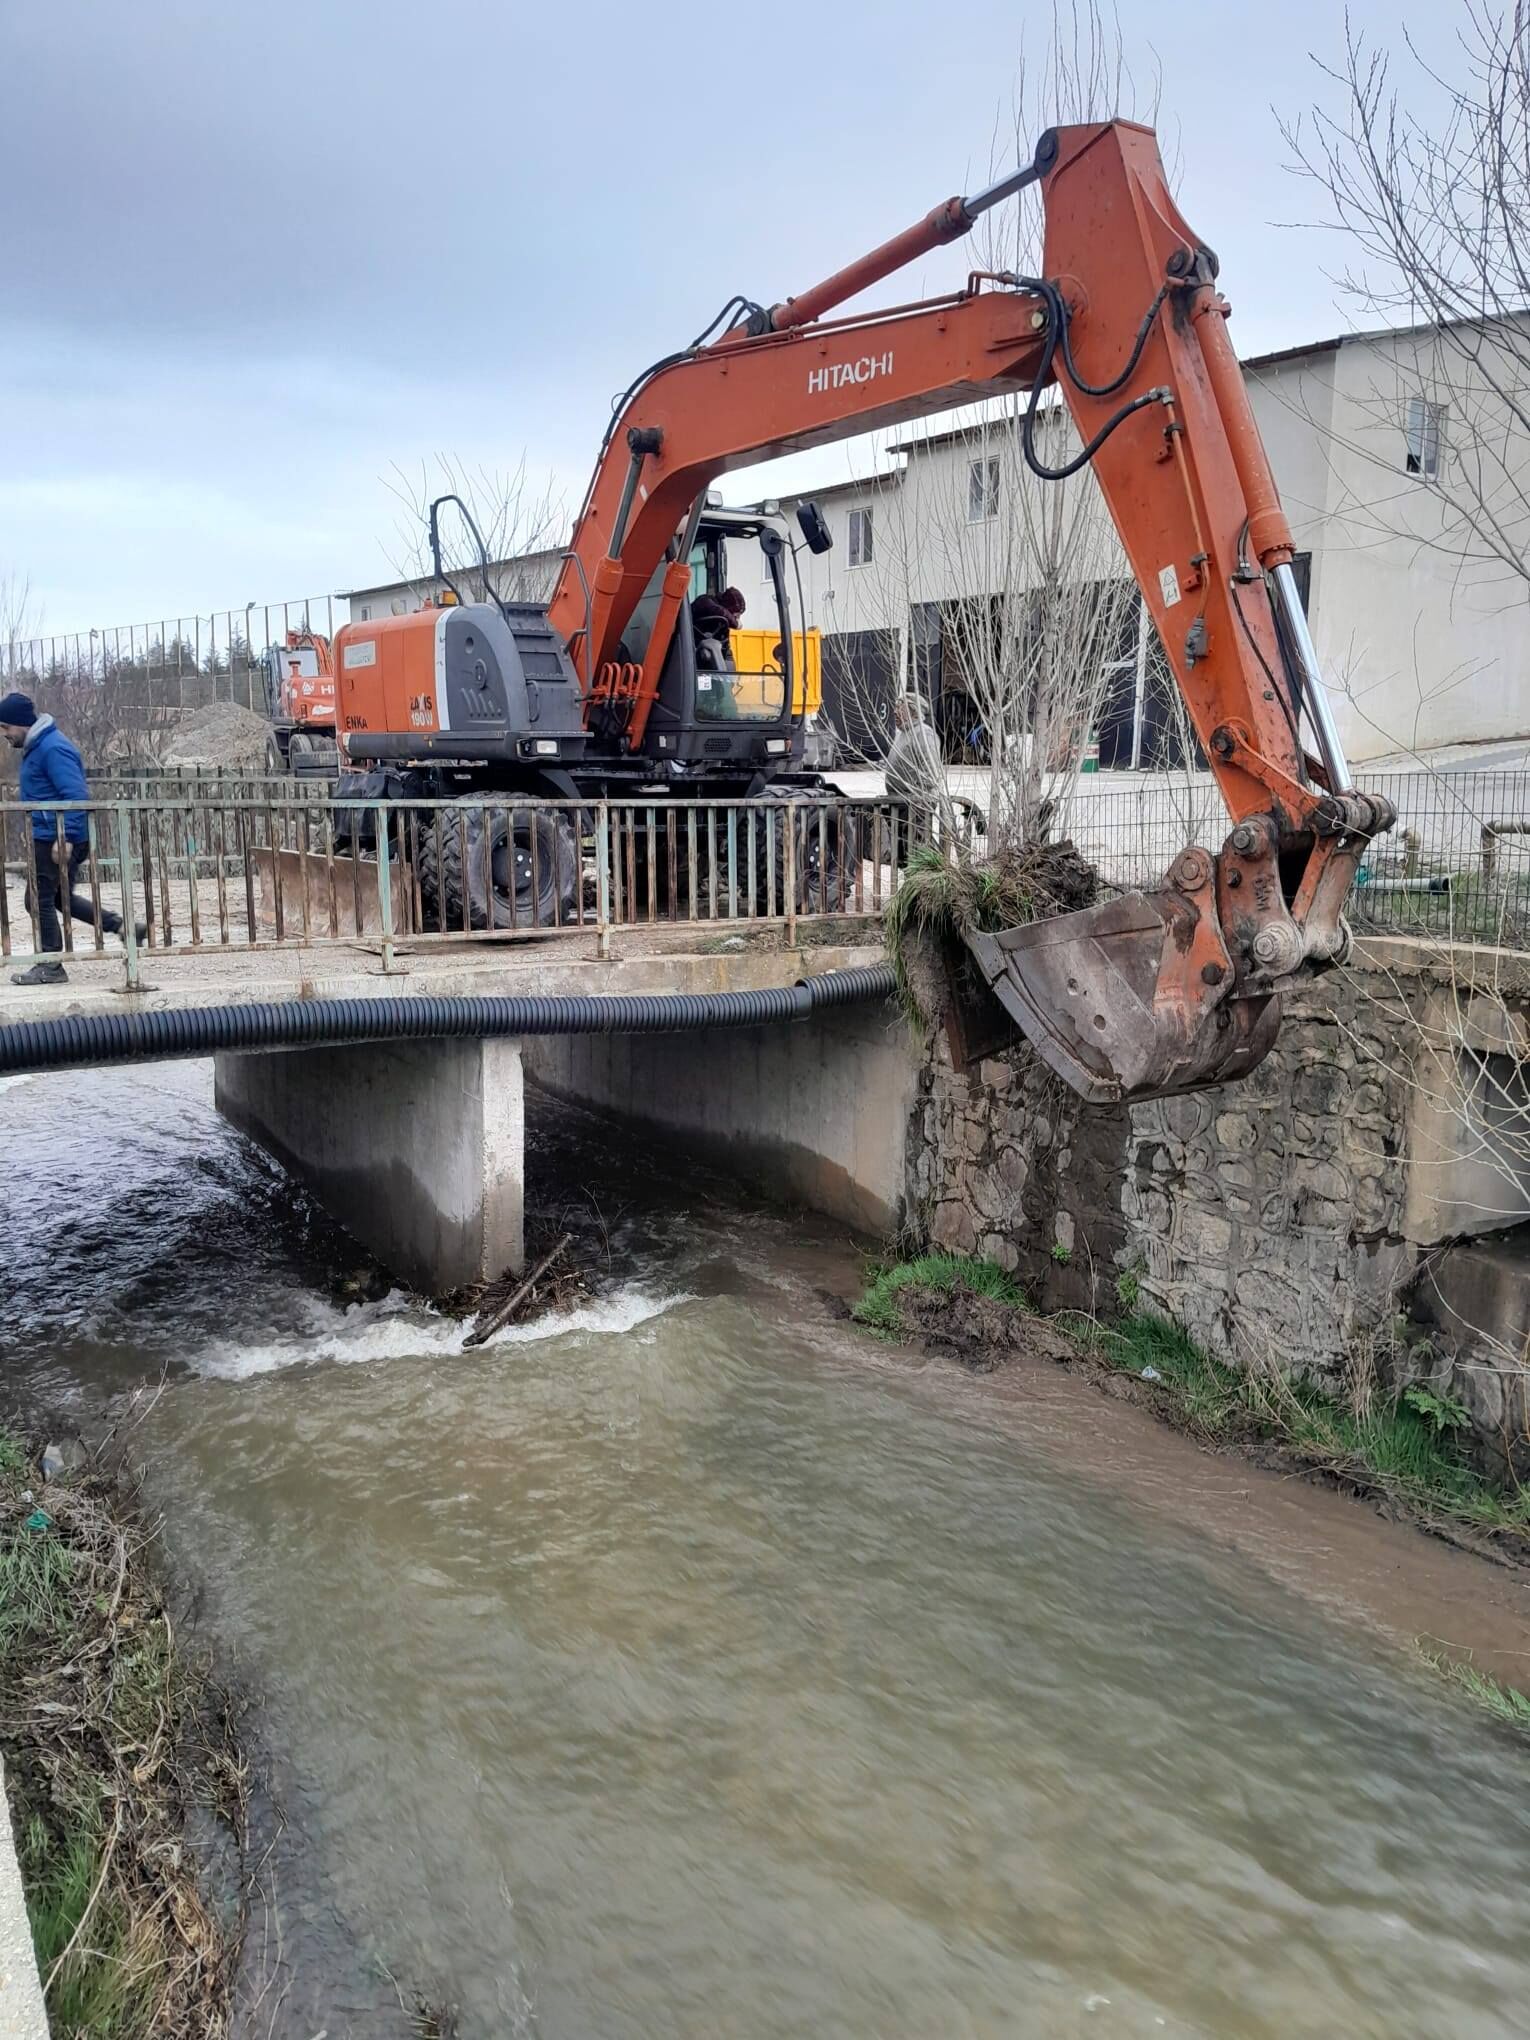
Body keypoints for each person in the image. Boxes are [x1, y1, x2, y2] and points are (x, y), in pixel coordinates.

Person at [0, 692, 137, 985]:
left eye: (5, 727)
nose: (4, 734)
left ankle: (51, 965)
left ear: (20, 723)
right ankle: (121, 927)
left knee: (38, 900)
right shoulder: (39, 746)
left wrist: (67, 837)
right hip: (51, 834)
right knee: (59, 899)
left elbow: (75, 795)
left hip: (56, 837)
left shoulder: (52, 748)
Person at [691, 586, 746, 720]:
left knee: (727, 665)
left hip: (716, 654)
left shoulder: (721, 624)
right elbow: (718, 611)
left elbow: (725, 645)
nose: (736, 617)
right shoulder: (704, 601)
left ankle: (723, 703)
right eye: (735, 614)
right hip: (694, 654)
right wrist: (735, 622)